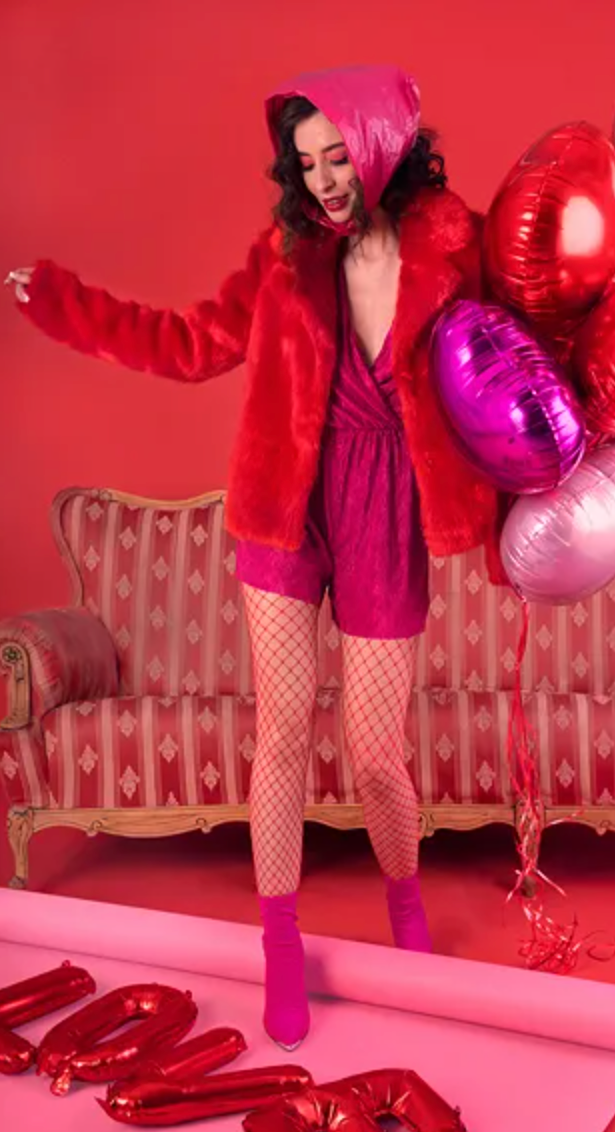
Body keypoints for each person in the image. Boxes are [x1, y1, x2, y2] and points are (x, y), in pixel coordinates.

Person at [5, 64, 502, 1049]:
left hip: (388, 506)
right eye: (305, 163)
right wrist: (65, 305)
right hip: (285, 505)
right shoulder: (282, 257)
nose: (322, 181)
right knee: (281, 731)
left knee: (375, 750)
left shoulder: (457, 245)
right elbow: (188, 342)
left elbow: (515, 359)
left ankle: (405, 908)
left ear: (380, 146)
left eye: (337, 157)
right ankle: (280, 940)